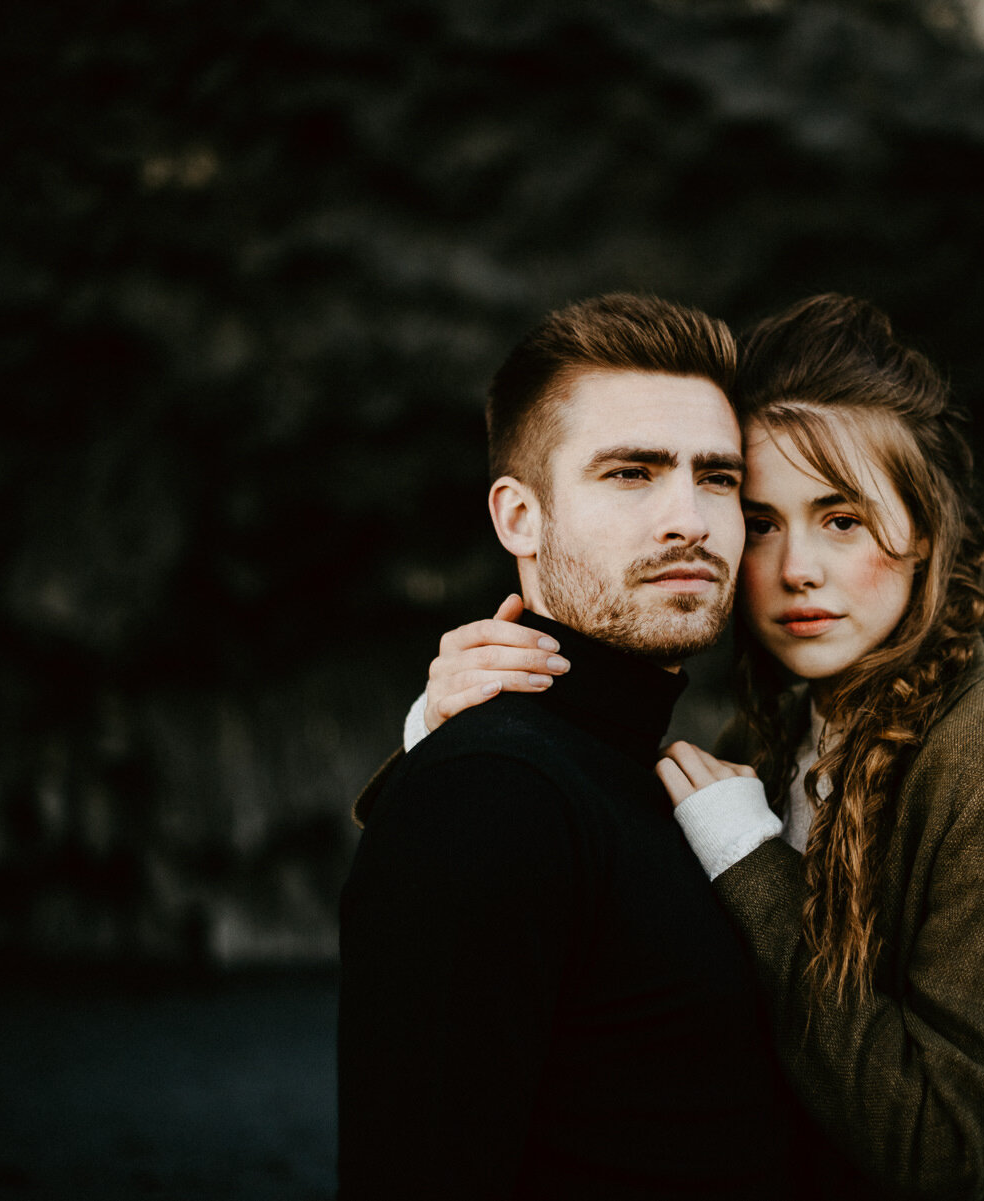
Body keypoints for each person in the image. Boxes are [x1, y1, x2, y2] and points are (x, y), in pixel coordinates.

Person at [411, 295, 984, 1200]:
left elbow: (944, 1148)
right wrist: (443, 735)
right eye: (764, 522)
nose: (795, 568)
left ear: (925, 533)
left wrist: (752, 862)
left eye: (842, 519)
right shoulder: (756, 748)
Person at [337, 294, 794, 1198]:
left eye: (718, 477)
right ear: (520, 518)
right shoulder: (492, 791)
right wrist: (441, 757)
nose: (691, 520)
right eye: (632, 472)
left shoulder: (659, 781)